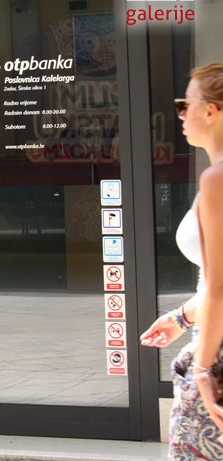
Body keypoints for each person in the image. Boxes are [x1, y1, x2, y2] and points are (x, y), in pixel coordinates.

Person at [140, 62, 223, 460]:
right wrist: (182, 317)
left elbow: (221, 285)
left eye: (184, 104)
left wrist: (203, 369)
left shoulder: (217, 180)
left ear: (212, 110)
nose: (180, 114)